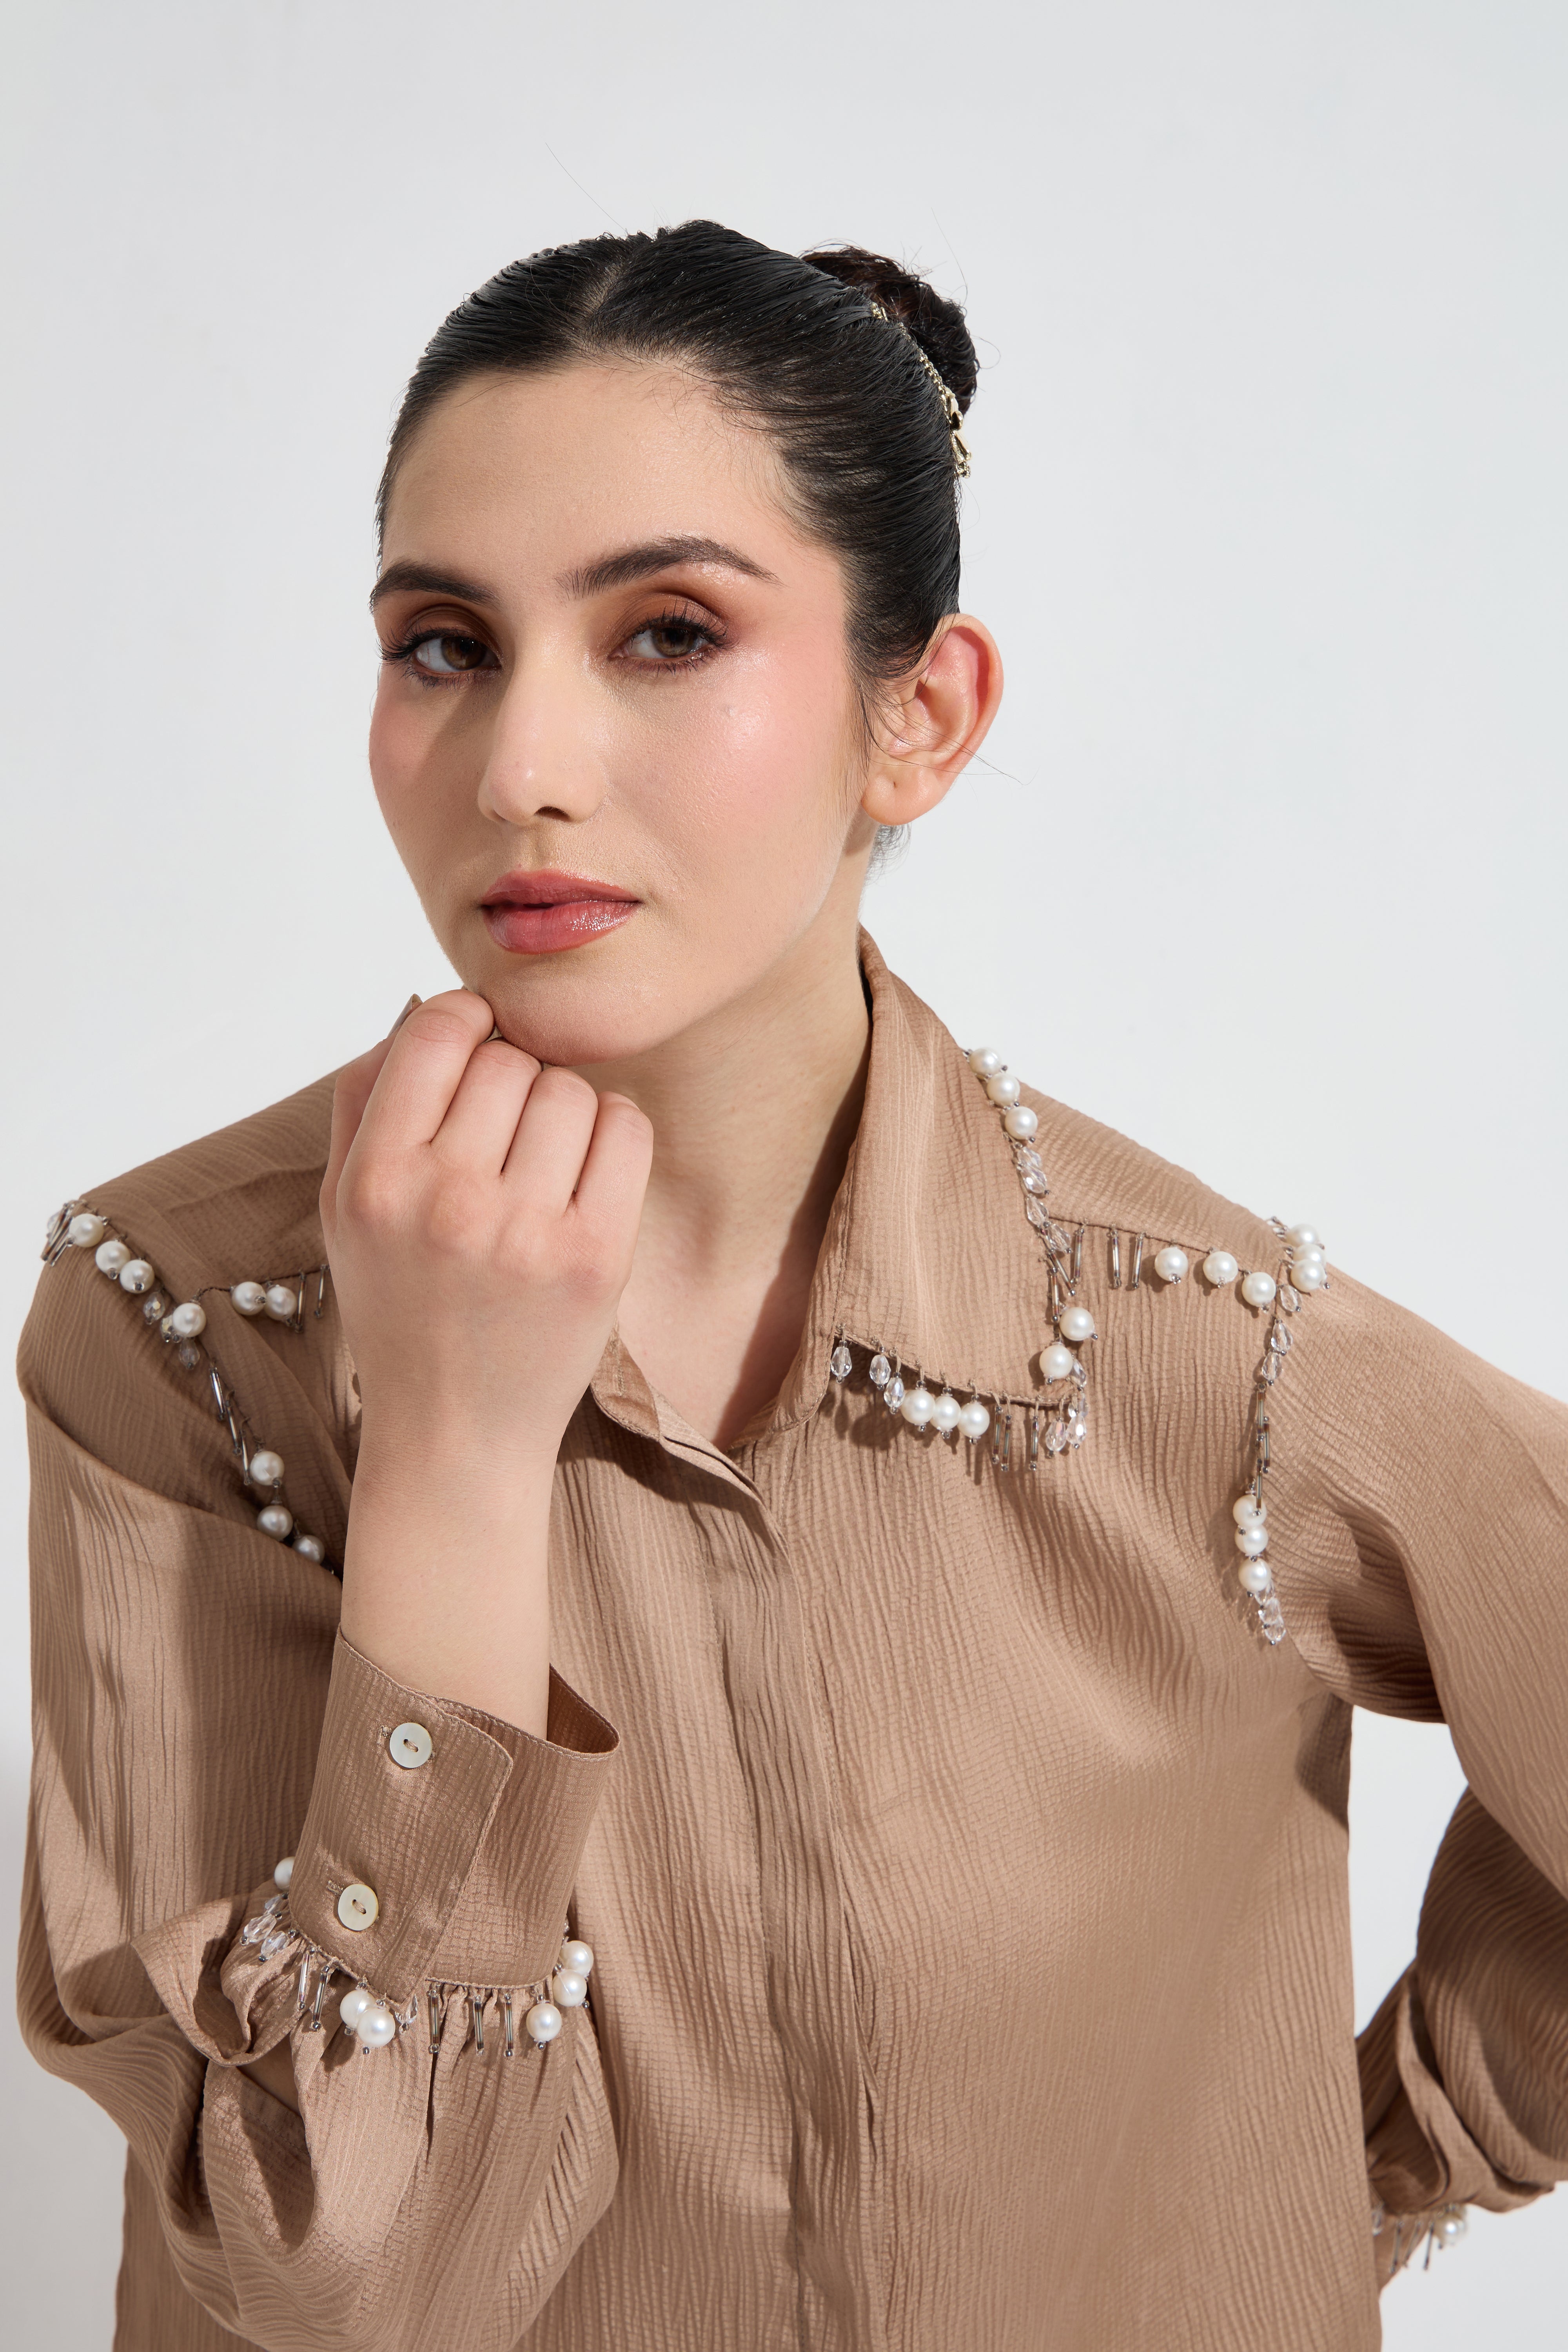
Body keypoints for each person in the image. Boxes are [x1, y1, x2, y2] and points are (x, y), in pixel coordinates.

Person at [17, 221, 1568, 2352]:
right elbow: (348, 2282)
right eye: (444, 644)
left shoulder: (1209, 1353)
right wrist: (456, 1454)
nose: (522, 764)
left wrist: (1339, 2175)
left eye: (667, 633)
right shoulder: (186, 1329)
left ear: (917, 717)